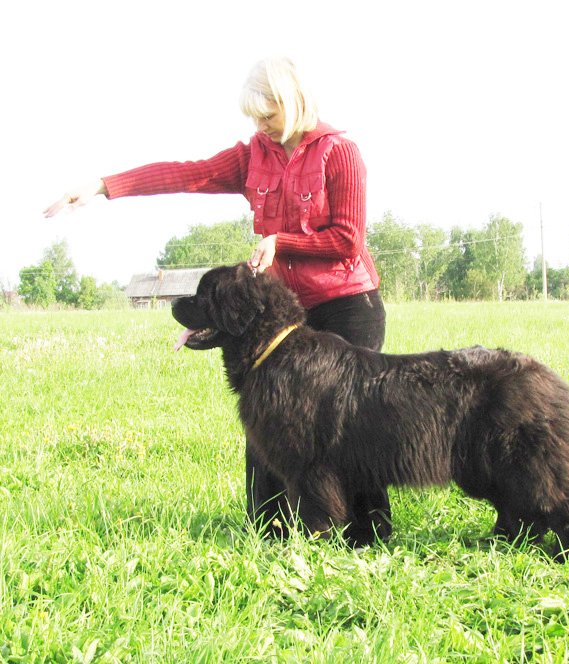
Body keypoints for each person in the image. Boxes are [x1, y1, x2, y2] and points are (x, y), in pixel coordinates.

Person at [44, 56, 392, 545]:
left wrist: (282, 241)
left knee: (348, 423)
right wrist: (105, 186)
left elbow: (348, 239)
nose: (260, 126)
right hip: (287, 314)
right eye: (254, 117)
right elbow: (189, 174)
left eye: (267, 114)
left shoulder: (340, 153)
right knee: (268, 415)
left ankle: (370, 532)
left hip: (346, 303)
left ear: (293, 103)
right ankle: (268, 530)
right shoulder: (255, 154)